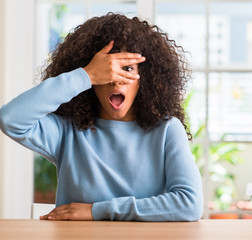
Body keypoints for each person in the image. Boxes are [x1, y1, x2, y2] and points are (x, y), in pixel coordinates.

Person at [0, 13, 203, 221]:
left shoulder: (167, 130)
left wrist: (95, 210)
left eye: (127, 69)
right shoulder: (67, 131)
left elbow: (189, 204)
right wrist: (85, 75)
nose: (116, 80)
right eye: (106, 70)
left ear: (146, 79)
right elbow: (10, 118)